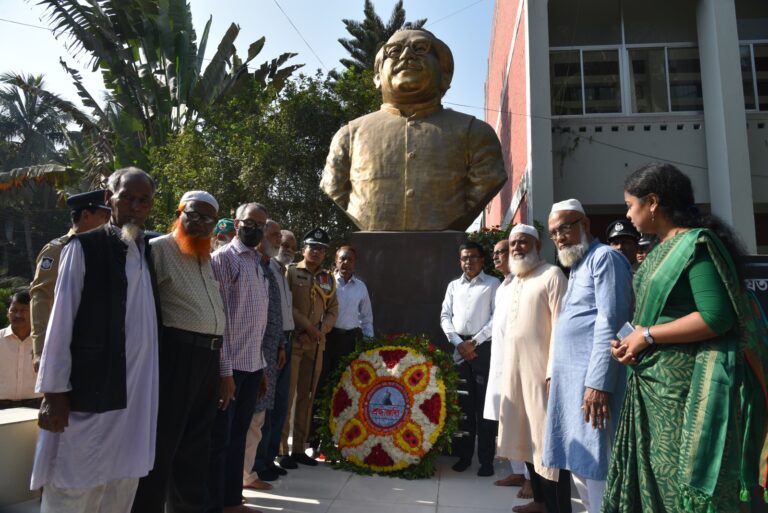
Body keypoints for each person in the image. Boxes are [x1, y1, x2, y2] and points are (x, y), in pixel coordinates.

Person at [603, 163, 768, 512]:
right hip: (653, 385)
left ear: (652, 202)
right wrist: (631, 339)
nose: (628, 215)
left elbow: (716, 317)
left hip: (684, 393)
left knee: (681, 487)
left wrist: (647, 335)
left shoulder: (695, 245)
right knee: (656, 485)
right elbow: (661, 313)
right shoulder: (661, 247)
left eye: (630, 205)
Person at [31, 167, 160, 513]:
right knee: (74, 487)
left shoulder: (146, 252)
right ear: (109, 199)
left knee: (120, 487)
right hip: (90, 394)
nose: (135, 206)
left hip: (134, 400)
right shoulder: (84, 247)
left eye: (143, 200)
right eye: (127, 198)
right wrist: (54, 393)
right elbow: (60, 322)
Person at [321, 27, 506, 231]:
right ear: (376, 76)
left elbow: (489, 180)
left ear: (444, 74)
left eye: (420, 48)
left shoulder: (476, 133)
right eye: (394, 51)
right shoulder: (348, 137)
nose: (407, 55)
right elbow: (334, 187)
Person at [131, 191, 225, 513]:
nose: (199, 223)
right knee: (163, 446)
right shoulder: (157, 250)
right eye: (193, 215)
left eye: (207, 219)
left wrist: (223, 372)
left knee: (196, 448)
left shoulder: (205, 256)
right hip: (176, 358)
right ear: (179, 212)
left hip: (208, 361)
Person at [542, 198, 633, 513]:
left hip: (592, 387)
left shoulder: (604, 258)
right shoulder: (578, 265)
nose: (559, 237)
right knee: (578, 461)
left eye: (565, 228)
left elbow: (612, 323)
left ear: (585, 224)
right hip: (570, 385)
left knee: (597, 464)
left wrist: (598, 383)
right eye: (554, 233)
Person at [496, 226, 570, 513]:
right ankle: (539, 502)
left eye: (523, 242)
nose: (517, 247)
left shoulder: (552, 275)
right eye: (513, 243)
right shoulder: (513, 282)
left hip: (543, 377)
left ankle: (558, 508)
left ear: (537, 244)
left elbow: (562, 329)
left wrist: (553, 372)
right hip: (515, 377)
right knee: (525, 439)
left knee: (548, 447)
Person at [208, 203, 270, 513]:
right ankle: (216, 503)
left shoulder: (258, 262)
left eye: (260, 224)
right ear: (237, 223)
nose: (255, 229)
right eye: (249, 222)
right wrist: (225, 373)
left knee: (237, 437)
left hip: (252, 365)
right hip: (230, 368)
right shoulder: (224, 259)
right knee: (220, 439)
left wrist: (262, 367)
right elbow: (220, 320)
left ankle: (232, 499)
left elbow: (256, 321)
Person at [29, 190, 112, 371]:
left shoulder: (107, 251)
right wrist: (40, 350)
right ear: (86, 215)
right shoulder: (57, 250)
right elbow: (41, 298)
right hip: (64, 345)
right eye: (104, 216)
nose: (109, 222)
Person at [279, 228, 338, 468]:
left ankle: (299, 449)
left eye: (321, 249)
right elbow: (287, 305)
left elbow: (333, 309)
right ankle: (282, 450)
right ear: (304, 249)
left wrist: (322, 329)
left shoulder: (328, 278)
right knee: (288, 396)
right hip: (294, 342)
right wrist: (308, 326)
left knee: (307, 396)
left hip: (316, 344)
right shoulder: (291, 272)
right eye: (312, 247)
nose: (316, 252)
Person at [440, 241, 500, 476]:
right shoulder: (454, 286)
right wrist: (458, 342)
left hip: (482, 349)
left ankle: (486, 461)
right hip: (458, 349)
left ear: (482, 260)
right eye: (464, 258)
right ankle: (464, 456)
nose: (469, 262)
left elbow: (497, 318)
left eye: (473, 257)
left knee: (483, 408)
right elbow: (445, 316)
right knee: (463, 406)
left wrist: (473, 342)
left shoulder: (493, 284)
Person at [482, 239, 531, 495]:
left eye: (502, 252)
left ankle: (532, 479)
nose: (497, 257)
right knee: (506, 419)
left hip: (520, 362)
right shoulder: (502, 287)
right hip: (499, 359)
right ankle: (517, 470)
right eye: (495, 253)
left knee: (524, 420)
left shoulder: (525, 282)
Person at [243, 220, 287, 490]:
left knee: (258, 420)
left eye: (278, 236)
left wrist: (281, 344)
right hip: (250, 354)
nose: (278, 240)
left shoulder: (269, 269)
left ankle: (247, 473)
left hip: (270, 354)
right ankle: (242, 476)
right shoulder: (250, 264)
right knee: (249, 419)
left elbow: (276, 313)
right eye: (273, 235)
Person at [251, 229, 296, 479]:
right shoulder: (263, 267)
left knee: (279, 405)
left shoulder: (283, 272)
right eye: (280, 241)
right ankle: (257, 464)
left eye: (290, 244)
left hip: (284, 343)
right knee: (263, 406)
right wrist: (277, 344)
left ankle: (268, 458)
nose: (284, 246)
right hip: (267, 345)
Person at [0, 291, 41, 409]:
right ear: (8, 313)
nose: (18, 315)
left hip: (36, 406)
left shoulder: (43, 342)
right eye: (14, 310)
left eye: (23, 310)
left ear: (33, 311)